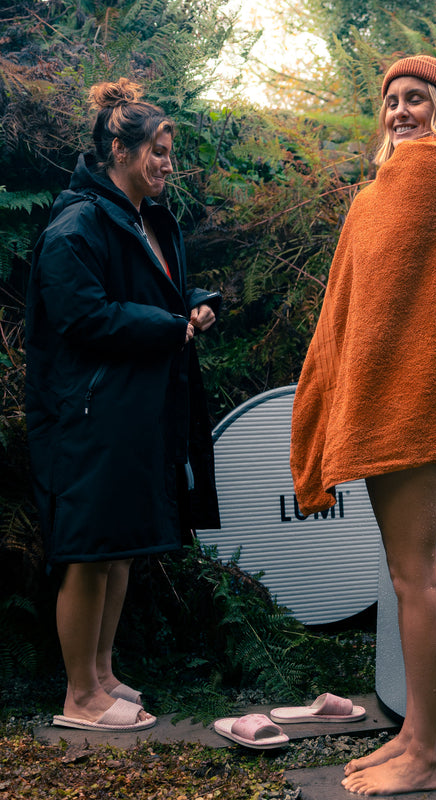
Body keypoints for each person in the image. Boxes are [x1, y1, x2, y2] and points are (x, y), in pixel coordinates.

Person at [290, 55, 436, 795]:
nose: (401, 111)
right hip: (382, 402)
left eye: (416, 99)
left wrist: (379, 388)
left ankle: (430, 755)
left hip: (412, 403)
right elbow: (358, 302)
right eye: (392, 101)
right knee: (406, 579)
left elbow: (416, 305)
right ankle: (412, 736)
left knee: (417, 577)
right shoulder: (381, 189)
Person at [25, 78, 221, 732]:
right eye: (159, 151)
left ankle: (103, 675)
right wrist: (169, 327)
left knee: (117, 548)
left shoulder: (146, 217)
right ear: (119, 148)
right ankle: (80, 699)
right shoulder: (76, 223)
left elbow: (153, 293)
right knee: (86, 553)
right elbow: (83, 317)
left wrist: (192, 303)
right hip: (87, 419)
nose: (169, 163)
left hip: (129, 414)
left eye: (171, 151)